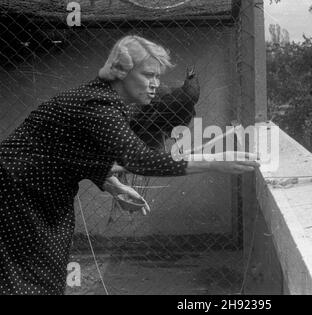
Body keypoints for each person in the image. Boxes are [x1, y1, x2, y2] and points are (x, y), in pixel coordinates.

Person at [0, 35, 259, 295]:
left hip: (34, 197)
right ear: (121, 72)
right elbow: (139, 159)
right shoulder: (100, 106)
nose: (155, 84)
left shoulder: (105, 102)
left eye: (158, 77)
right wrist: (215, 161)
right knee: (28, 281)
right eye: (148, 75)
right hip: (16, 198)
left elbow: (68, 153)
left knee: (40, 276)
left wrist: (111, 184)